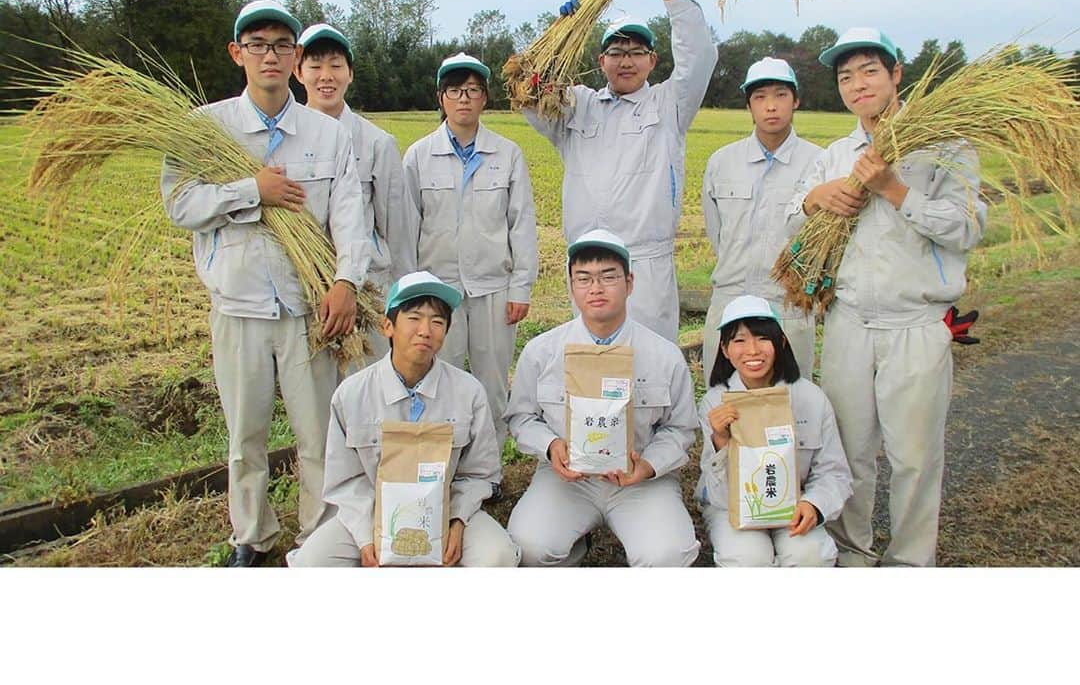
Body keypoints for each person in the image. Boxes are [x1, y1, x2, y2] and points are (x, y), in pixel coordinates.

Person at [160, 0, 371, 566]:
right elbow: (179, 204)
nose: (270, 55)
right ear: (237, 54)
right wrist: (252, 191)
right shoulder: (206, 128)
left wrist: (347, 281)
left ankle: (320, 539)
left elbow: (352, 215)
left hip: (310, 311)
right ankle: (251, 537)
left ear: (295, 57)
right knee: (245, 436)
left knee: (317, 435)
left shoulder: (325, 135)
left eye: (282, 45)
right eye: (258, 44)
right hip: (239, 307)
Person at [788, 26, 986, 566]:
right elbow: (790, 223)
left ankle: (908, 563)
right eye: (846, 76)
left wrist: (895, 190)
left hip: (916, 325)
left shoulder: (944, 147)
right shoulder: (834, 156)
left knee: (914, 457)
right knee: (849, 452)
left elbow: (967, 228)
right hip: (848, 322)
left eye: (869, 71)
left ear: (897, 74)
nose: (857, 84)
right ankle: (853, 553)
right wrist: (813, 200)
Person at [521, 0, 718, 343]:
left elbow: (700, 53)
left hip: (645, 265)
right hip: (589, 264)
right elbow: (528, 92)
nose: (625, 60)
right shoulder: (577, 106)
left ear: (652, 60)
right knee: (591, 369)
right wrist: (562, 31)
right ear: (601, 60)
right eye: (616, 51)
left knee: (650, 370)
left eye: (635, 51)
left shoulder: (669, 105)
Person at [287, 271, 520, 567]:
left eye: (437, 322)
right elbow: (346, 481)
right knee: (313, 562)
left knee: (497, 556)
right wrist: (366, 537)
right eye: (414, 318)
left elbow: (479, 473)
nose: (425, 330)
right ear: (388, 326)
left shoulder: (468, 392)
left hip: (445, 510)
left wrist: (457, 520)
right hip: (372, 514)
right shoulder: (352, 394)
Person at [505, 229, 700, 567]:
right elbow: (522, 418)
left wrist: (648, 466)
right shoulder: (542, 352)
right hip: (567, 481)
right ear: (571, 286)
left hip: (640, 483)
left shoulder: (663, 355)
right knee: (529, 545)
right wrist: (552, 448)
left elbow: (680, 429)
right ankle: (574, 546)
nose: (595, 288)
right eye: (584, 278)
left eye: (608, 277)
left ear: (630, 282)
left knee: (667, 554)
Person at [402, 52, 538, 437]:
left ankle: (488, 470)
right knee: (435, 382)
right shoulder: (418, 156)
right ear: (441, 98)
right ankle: (440, 465)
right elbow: (406, 229)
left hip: (493, 288)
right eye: (456, 90)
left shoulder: (507, 154)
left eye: (473, 90)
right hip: (436, 290)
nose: (464, 98)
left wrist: (521, 286)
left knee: (492, 384)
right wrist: (410, 291)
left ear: (485, 98)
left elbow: (522, 224)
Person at [697, 295, 852, 567]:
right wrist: (720, 440)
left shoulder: (811, 398)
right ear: (724, 349)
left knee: (810, 555)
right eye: (739, 340)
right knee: (748, 558)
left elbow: (834, 471)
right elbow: (717, 493)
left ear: (780, 342)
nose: (753, 350)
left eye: (762, 338)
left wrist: (814, 505)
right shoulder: (715, 402)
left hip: (793, 503)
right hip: (731, 507)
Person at [294, 21, 414, 360]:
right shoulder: (284, 143)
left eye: (335, 65)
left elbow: (397, 230)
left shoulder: (377, 143)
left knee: (366, 394)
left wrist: (402, 299)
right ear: (298, 72)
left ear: (350, 73)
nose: (326, 76)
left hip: (368, 290)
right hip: (307, 290)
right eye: (315, 66)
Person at [701, 57, 822, 378]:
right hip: (730, 296)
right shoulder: (722, 162)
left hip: (788, 304)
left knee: (789, 402)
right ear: (749, 105)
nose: (771, 106)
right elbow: (717, 233)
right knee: (723, 398)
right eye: (760, 97)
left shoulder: (820, 163)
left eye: (781, 95)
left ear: (795, 100)